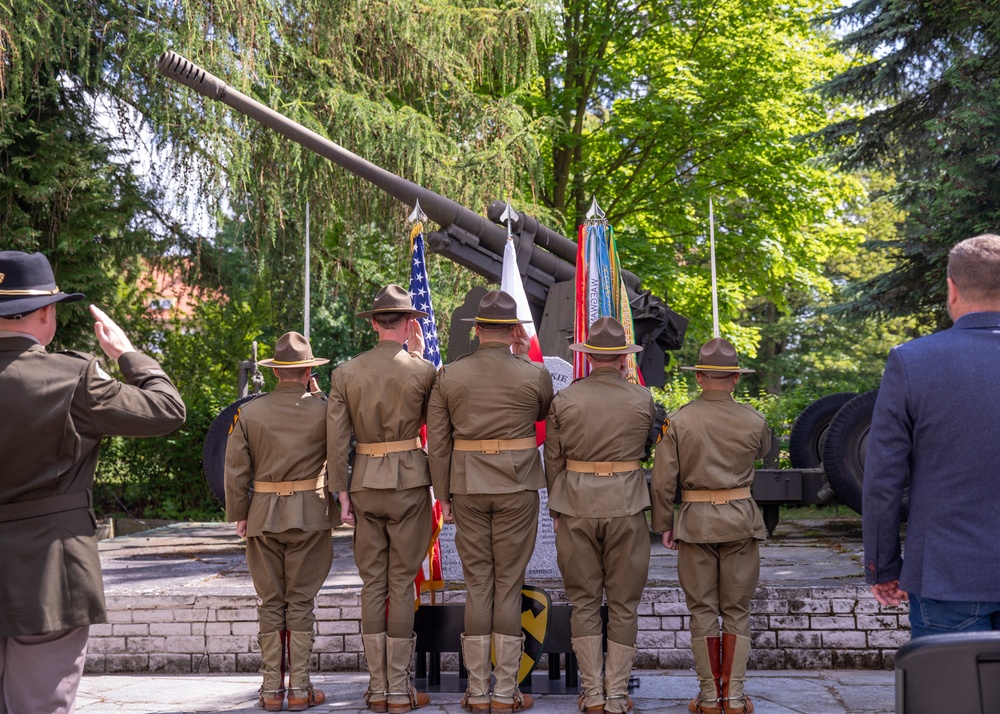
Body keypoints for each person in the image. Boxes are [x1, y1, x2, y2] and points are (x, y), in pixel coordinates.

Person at [0, 250, 186, 714]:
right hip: (49, 578)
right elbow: (166, 411)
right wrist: (127, 354)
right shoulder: (71, 377)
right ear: (46, 312)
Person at [864, 234, 1000, 637]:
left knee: (950, 698)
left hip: (946, 575)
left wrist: (882, 566)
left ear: (952, 288)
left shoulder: (912, 361)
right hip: (945, 577)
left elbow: (883, 480)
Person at [426, 289, 553, 713]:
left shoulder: (450, 375)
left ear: (477, 329)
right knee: (509, 585)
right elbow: (544, 417)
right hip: (517, 486)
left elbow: (439, 444)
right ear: (516, 330)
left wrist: (442, 495)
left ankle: (477, 692)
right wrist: (520, 355)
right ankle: (505, 693)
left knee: (478, 586)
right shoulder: (534, 374)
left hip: (467, 486)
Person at [327, 284, 437, 714]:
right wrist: (419, 358)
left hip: (366, 483)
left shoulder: (345, 373)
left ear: (373, 323)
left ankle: (377, 690)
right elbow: (436, 429)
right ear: (410, 324)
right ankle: (399, 690)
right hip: (410, 481)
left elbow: (336, 442)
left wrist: (342, 494)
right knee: (400, 583)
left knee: (373, 584)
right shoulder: (423, 371)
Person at [651, 338, 771, 714]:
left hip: (695, 524)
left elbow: (662, 480)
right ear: (735, 378)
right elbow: (764, 452)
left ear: (700, 376)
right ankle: (733, 698)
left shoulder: (679, 419)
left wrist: (664, 525)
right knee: (737, 609)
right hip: (740, 521)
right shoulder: (754, 419)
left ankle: (707, 697)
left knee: (702, 609)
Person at [544, 317, 655, 714]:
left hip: (576, 504)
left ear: (588, 356)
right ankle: (617, 694)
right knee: (624, 603)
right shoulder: (642, 399)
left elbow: (553, 458)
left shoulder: (565, 399)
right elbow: (645, 448)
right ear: (624, 357)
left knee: (584, 602)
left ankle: (592, 694)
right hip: (626, 504)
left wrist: (557, 507)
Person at [224, 331, 337, 712]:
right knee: (301, 600)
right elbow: (340, 461)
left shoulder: (249, 412)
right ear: (308, 370)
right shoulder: (326, 409)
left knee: (271, 600)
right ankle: (300, 689)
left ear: (275, 373)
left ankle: (272, 690)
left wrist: (239, 513)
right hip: (310, 514)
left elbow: (236, 469)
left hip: (263, 515)